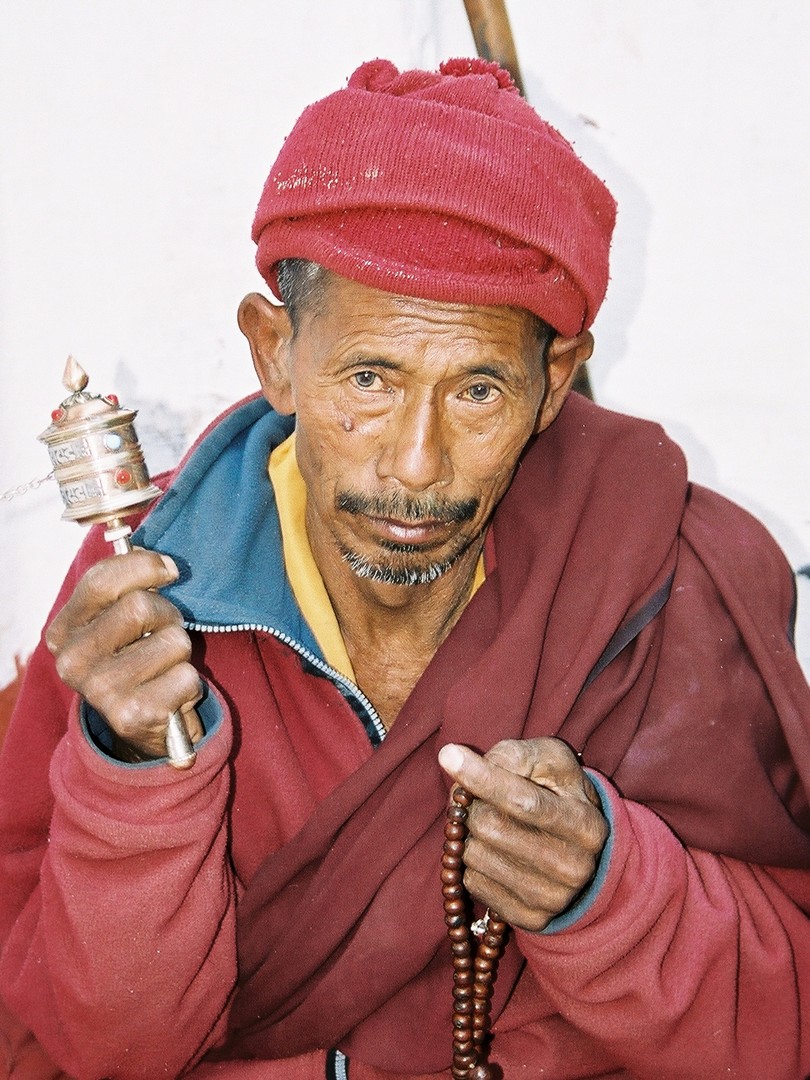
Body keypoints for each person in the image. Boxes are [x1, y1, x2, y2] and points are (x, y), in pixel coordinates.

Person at [0, 57, 808, 1080]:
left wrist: (613, 896)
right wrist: (135, 778)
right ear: (274, 354)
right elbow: (96, 1047)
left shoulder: (668, 572)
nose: (416, 466)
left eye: (477, 392)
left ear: (554, 381)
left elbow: (788, 1027)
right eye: (369, 379)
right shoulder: (153, 589)